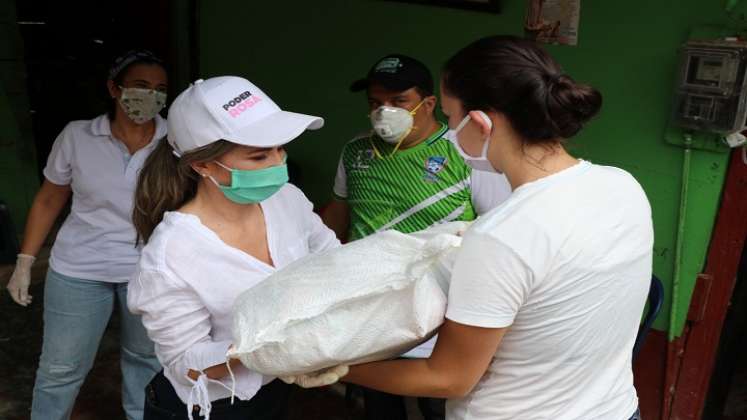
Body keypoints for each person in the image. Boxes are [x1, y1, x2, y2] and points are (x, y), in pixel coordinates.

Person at [291, 35, 652, 420]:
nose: (448, 131)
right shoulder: (623, 185)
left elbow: (448, 378)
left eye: (448, 116)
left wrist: (339, 367)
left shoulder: (501, 236)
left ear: (480, 123)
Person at [127, 76, 340, 420]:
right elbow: (188, 365)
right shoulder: (172, 255)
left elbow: (332, 259)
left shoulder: (286, 200)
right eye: (258, 156)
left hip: (273, 391)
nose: (277, 164)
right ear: (203, 165)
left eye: (280, 148)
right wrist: (277, 347)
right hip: (211, 404)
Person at [322, 54, 512, 420]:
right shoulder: (356, 152)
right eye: (376, 103)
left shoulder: (466, 153)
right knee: (380, 404)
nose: (384, 112)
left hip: (442, 311)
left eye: (398, 102)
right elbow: (336, 219)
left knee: (439, 406)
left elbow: (496, 231)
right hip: (371, 309)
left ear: (428, 104)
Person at [4, 49, 168, 420]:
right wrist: (26, 261)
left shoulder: (176, 140)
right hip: (79, 269)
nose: (151, 97)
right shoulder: (77, 136)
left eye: (160, 89)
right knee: (60, 369)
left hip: (150, 270)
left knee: (147, 361)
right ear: (115, 88)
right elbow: (49, 199)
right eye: (140, 86)